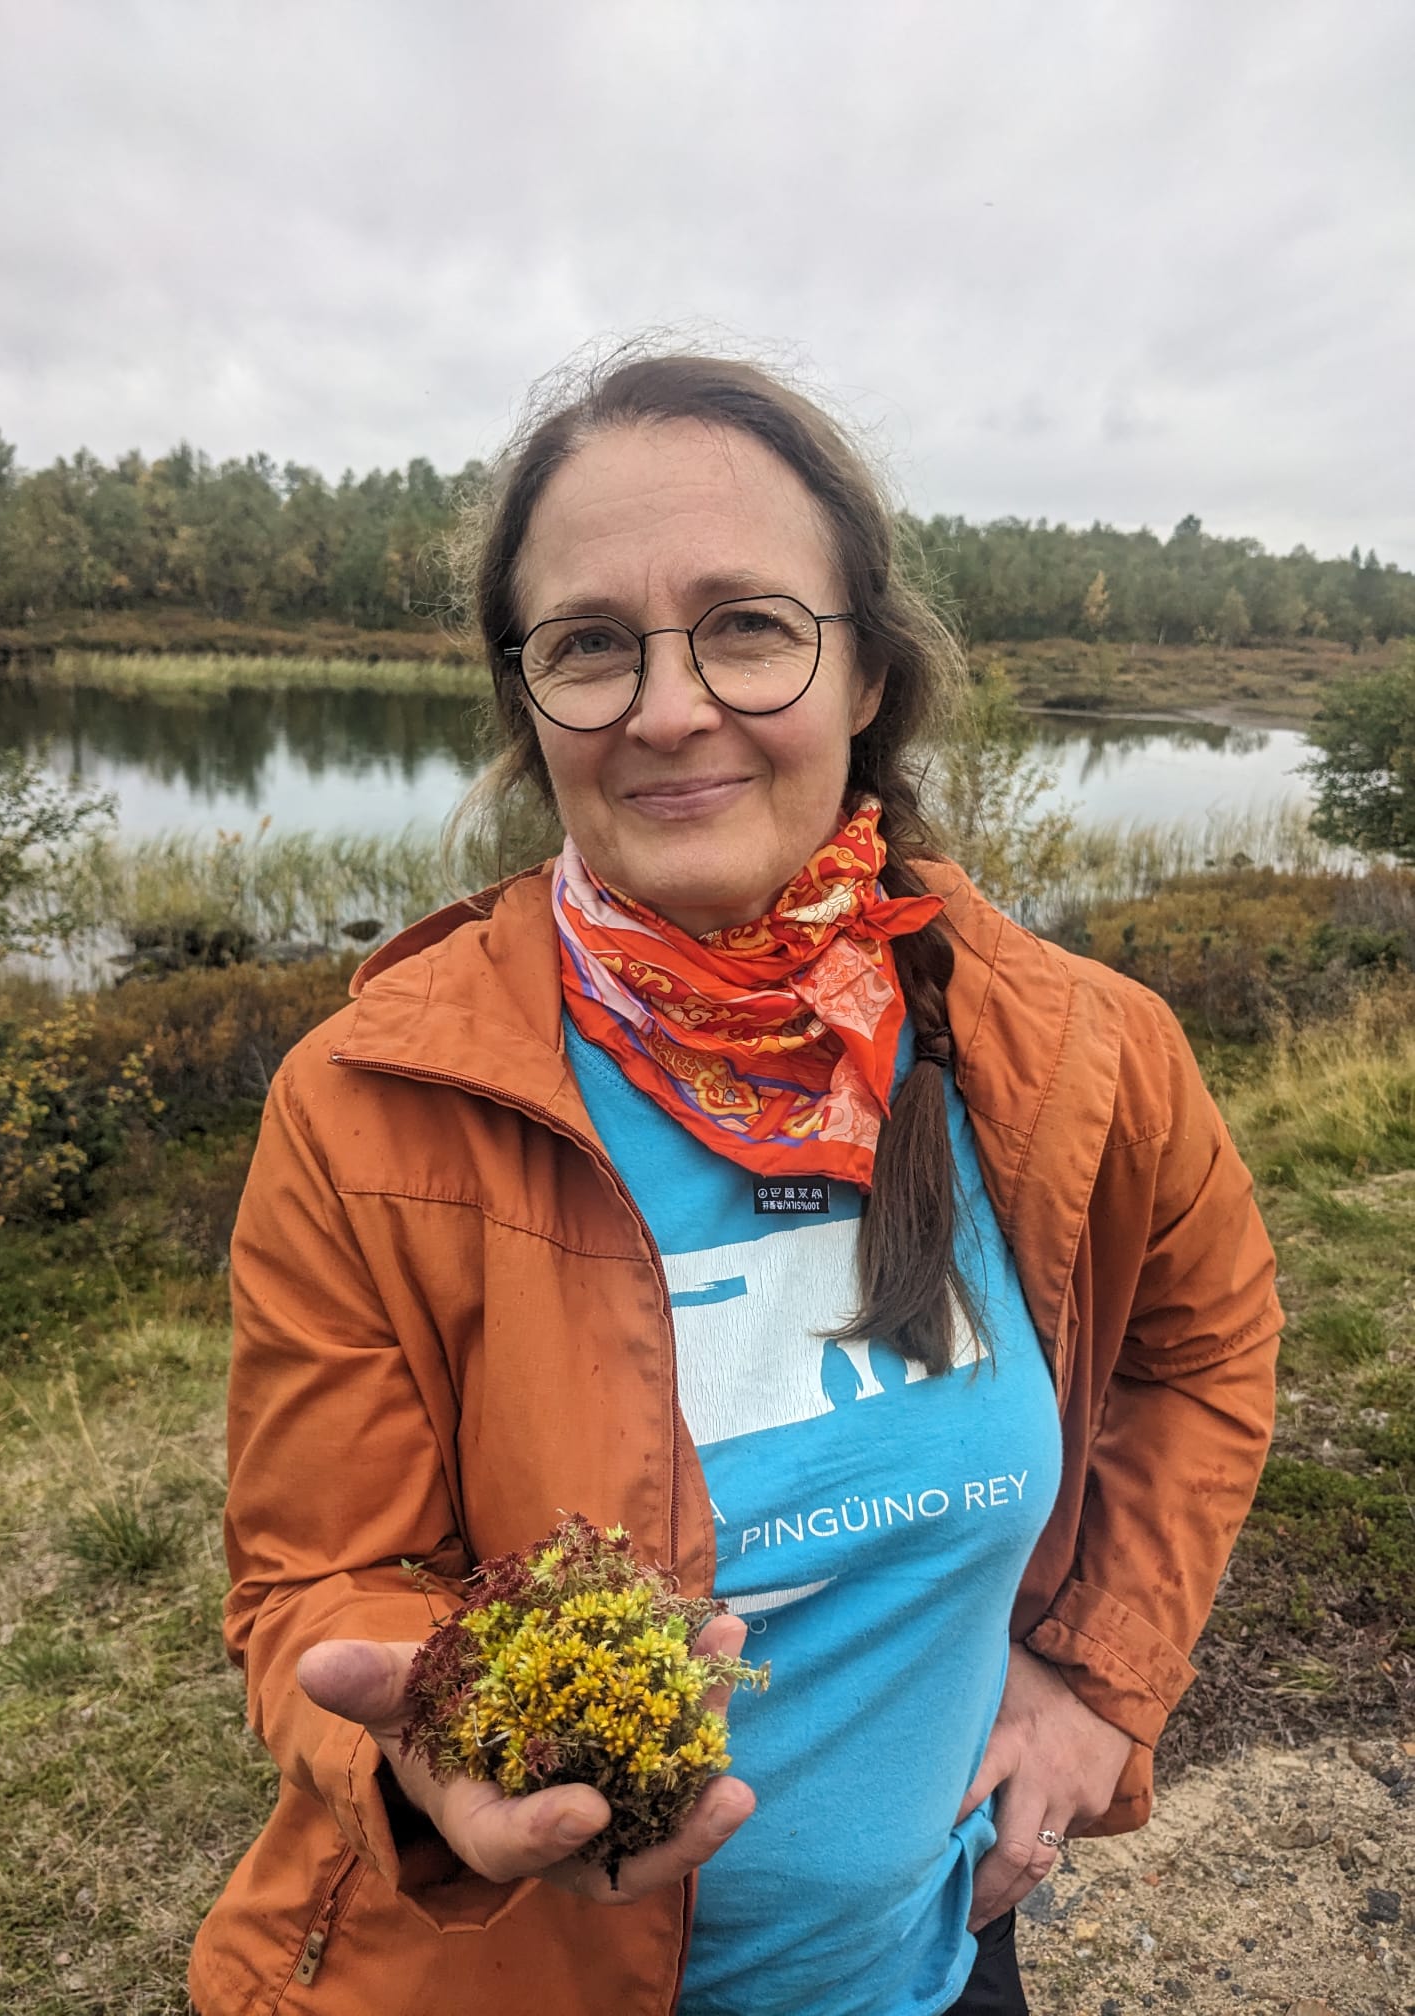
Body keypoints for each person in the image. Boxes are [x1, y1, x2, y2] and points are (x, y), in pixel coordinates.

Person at [188, 353, 1280, 2016]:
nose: (668, 708)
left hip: (929, 1971)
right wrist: (441, 1749)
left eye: (749, 627)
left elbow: (1205, 1350)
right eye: (590, 645)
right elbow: (322, 1575)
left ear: (868, 674)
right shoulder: (367, 1111)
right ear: (528, 702)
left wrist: (1097, 1683)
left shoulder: (1084, 1058)